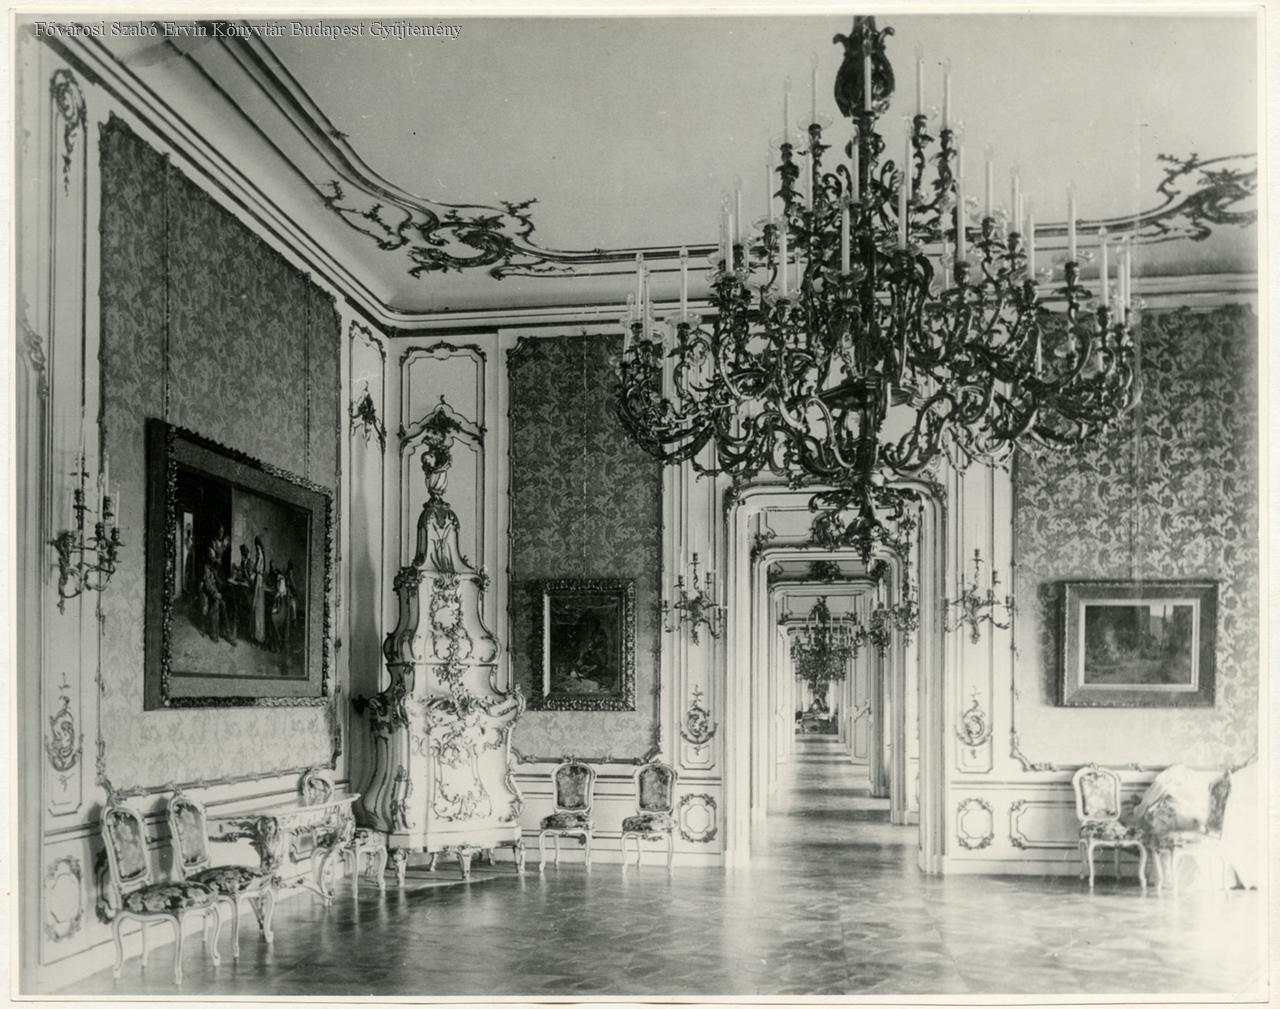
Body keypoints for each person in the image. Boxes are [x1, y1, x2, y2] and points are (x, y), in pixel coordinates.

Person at [251, 536, 267, 645]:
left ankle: (258, 637)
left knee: (257, 609)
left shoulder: (260, 556)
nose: (256, 550)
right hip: (258, 580)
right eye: (256, 548)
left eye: (257, 548)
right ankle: (255, 636)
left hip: (258, 582)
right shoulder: (259, 555)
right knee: (256, 609)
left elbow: (257, 569)